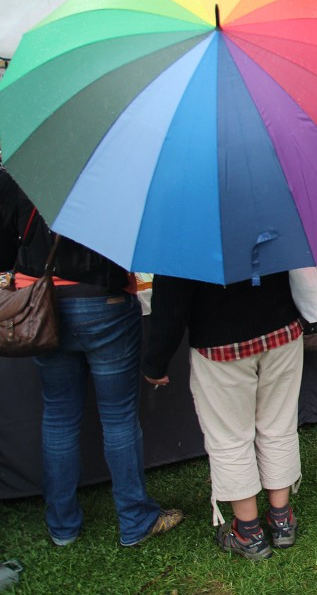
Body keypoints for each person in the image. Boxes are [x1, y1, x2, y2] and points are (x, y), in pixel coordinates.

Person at [0, 168, 182, 547]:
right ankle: (134, 519)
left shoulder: (21, 169)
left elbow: (5, 248)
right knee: (117, 417)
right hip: (103, 300)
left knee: (59, 416)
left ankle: (63, 525)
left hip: (38, 303)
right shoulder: (114, 168)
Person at [143, 273, 302, 560]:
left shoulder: (180, 234)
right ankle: (281, 520)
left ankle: (249, 533)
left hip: (220, 342)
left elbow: (170, 307)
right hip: (281, 329)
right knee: (279, 425)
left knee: (230, 437)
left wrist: (156, 362)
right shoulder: (270, 223)